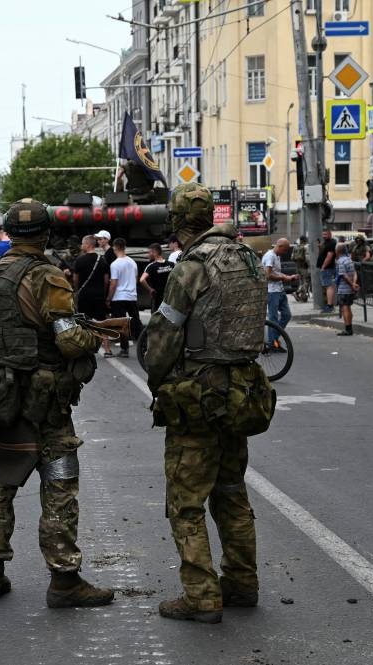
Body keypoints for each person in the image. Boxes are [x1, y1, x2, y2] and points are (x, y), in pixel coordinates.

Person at [0, 198, 114, 609]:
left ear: (8, 232)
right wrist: (96, 336)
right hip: (43, 406)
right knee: (59, 481)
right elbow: (68, 339)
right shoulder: (48, 276)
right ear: (45, 234)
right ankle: (64, 580)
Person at [144, 183, 267, 624]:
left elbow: (164, 334)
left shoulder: (191, 266)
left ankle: (200, 596)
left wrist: (155, 377)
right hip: (242, 392)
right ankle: (242, 583)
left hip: (198, 395)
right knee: (232, 491)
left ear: (177, 224)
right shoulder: (247, 257)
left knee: (186, 500)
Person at [106, 237, 141, 358]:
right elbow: (136, 279)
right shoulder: (132, 262)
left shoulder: (115, 264)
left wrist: (109, 298)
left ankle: (124, 349)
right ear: (124, 247)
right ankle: (144, 345)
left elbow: (113, 283)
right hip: (131, 297)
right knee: (136, 322)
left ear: (115, 247)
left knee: (121, 325)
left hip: (118, 297)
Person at [262, 238, 298, 348]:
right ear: (280, 246)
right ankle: (272, 342)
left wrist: (288, 277)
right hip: (272, 291)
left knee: (286, 315)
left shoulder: (277, 256)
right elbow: (268, 275)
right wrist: (284, 278)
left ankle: (273, 338)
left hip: (280, 290)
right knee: (273, 317)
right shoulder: (270, 256)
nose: (285, 252)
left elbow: (276, 272)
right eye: (285, 250)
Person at [139, 242, 174, 313]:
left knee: (157, 317)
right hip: (170, 297)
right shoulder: (171, 264)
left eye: (149, 252)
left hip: (158, 298)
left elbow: (142, 280)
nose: (148, 255)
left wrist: (150, 290)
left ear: (154, 252)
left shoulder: (151, 266)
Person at [334, 241, 358, 336]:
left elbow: (343, 275)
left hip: (344, 288)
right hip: (350, 288)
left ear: (337, 251)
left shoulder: (340, 261)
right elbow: (355, 272)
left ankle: (348, 329)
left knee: (345, 308)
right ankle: (349, 327)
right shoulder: (349, 260)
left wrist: (352, 284)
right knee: (348, 307)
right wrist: (354, 283)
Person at [316, 228, 336, 313]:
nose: (324, 236)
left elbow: (330, 256)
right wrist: (320, 247)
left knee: (329, 286)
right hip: (325, 268)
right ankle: (329, 305)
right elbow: (323, 253)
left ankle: (330, 306)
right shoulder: (325, 242)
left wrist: (324, 267)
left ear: (330, 234)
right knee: (327, 286)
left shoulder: (331, 242)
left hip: (328, 268)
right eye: (323, 234)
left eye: (326, 234)